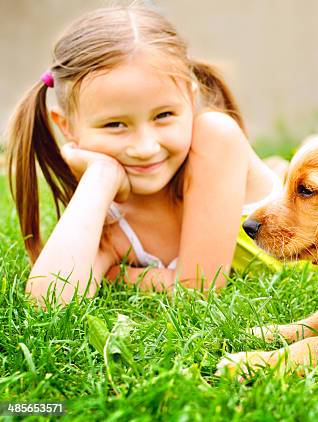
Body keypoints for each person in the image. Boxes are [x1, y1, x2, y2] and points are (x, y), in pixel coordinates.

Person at [6, 4, 281, 306]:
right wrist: (100, 178)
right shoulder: (105, 212)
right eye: (115, 125)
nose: (145, 147)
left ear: (190, 97)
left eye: (163, 115)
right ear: (67, 126)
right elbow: (47, 300)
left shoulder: (215, 136)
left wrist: (112, 274)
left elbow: (198, 289)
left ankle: (277, 169)